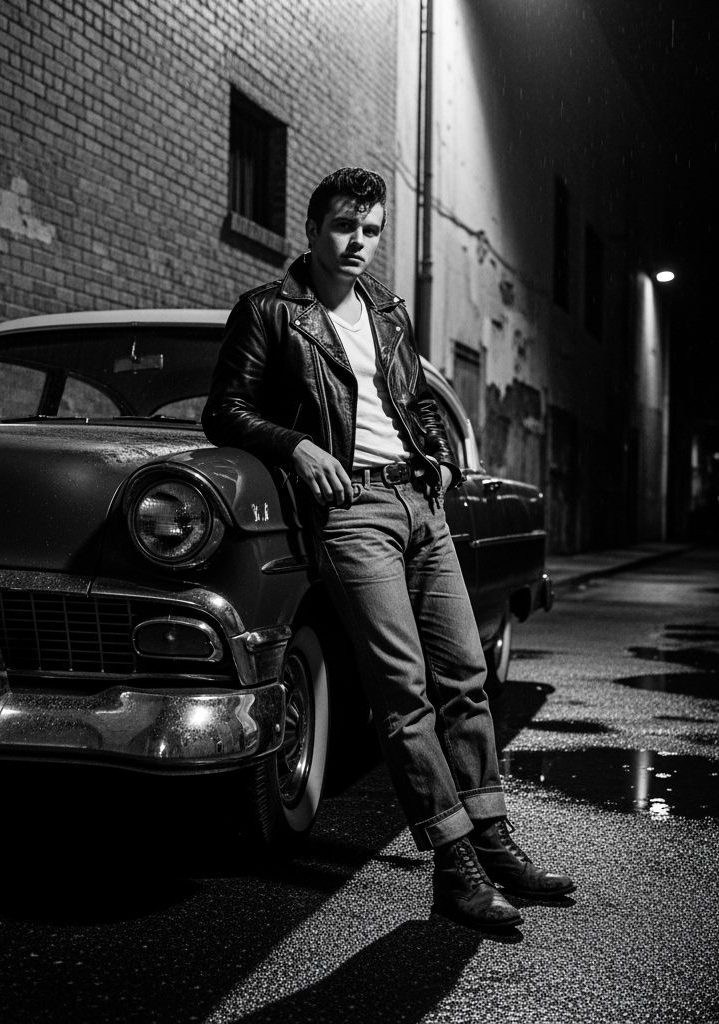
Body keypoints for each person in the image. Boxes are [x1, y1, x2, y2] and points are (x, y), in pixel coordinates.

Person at [203, 167, 574, 932]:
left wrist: (436, 456)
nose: (359, 244)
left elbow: (410, 405)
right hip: (351, 513)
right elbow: (225, 410)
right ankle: (454, 868)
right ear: (312, 229)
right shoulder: (271, 313)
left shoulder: (389, 311)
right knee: (402, 695)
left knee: (466, 677)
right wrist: (298, 446)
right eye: (345, 227)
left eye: (371, 232)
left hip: (419, 503)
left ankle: (494, 841)